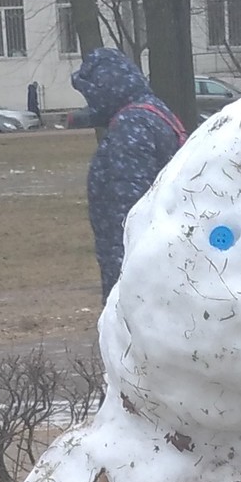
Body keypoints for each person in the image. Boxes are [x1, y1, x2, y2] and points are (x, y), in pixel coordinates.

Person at [71, 47, 187, 298]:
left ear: (103, 89)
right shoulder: (155, 112)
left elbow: (127, 208)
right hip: (164, 257)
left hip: (136, 266)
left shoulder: (130, 125)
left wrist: (121, 283)